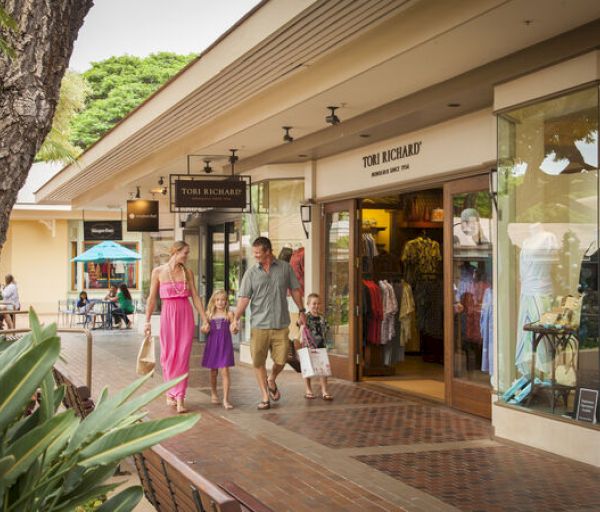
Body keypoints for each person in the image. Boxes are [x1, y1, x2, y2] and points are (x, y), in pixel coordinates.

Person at [231, 237, 306, 410]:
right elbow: (244, 299)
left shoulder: (285, 268)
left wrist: (302, 311)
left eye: (258, 253)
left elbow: (295, 290)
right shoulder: (251, 273)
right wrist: (235, 319)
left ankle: (272, 378)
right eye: (254, 252)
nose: (255, 255)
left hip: (280, 323)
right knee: (258, 362)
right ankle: (265, 396)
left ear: (268, 251)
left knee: (282, 359)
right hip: (259, 325)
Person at [145, 241, 209, 413]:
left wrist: (204, 319)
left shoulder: (187, 272)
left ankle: (180, 397)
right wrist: (147, 320)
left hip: (185, 315)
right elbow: (152, 299)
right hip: (167, 315)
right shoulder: (158, 272)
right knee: (167, 356)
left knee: (182, 356)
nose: (187, 256)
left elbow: (195, 297)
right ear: (175, 251)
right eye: (185, 253)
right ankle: (170, 391)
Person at [201, 289, 235, 410]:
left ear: (226, 301)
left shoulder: (229, 314)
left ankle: (226, 399)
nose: (220, 302)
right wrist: (204, 329)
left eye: (223, 300)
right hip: (213, 345)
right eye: (218, 300)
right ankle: (214, 392)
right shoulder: (209, 314)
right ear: (214, 301)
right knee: (213, 372)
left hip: (225, 345)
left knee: (225, 371)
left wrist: (235, 328)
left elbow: (234, 328)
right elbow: (203, 328)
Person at [302, 293, 333, 401]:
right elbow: (299, 324)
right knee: (307, 369)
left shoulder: (322, 318)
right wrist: (300, 321)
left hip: (321, 347)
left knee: (323, 370)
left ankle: (324, 390)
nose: (316, 306)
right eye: (313, 304)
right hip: (307, 347)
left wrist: (329, 345)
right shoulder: (306, 317)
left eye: (318, 303)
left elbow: (327, 332)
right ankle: (308, 390)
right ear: (308, 305)